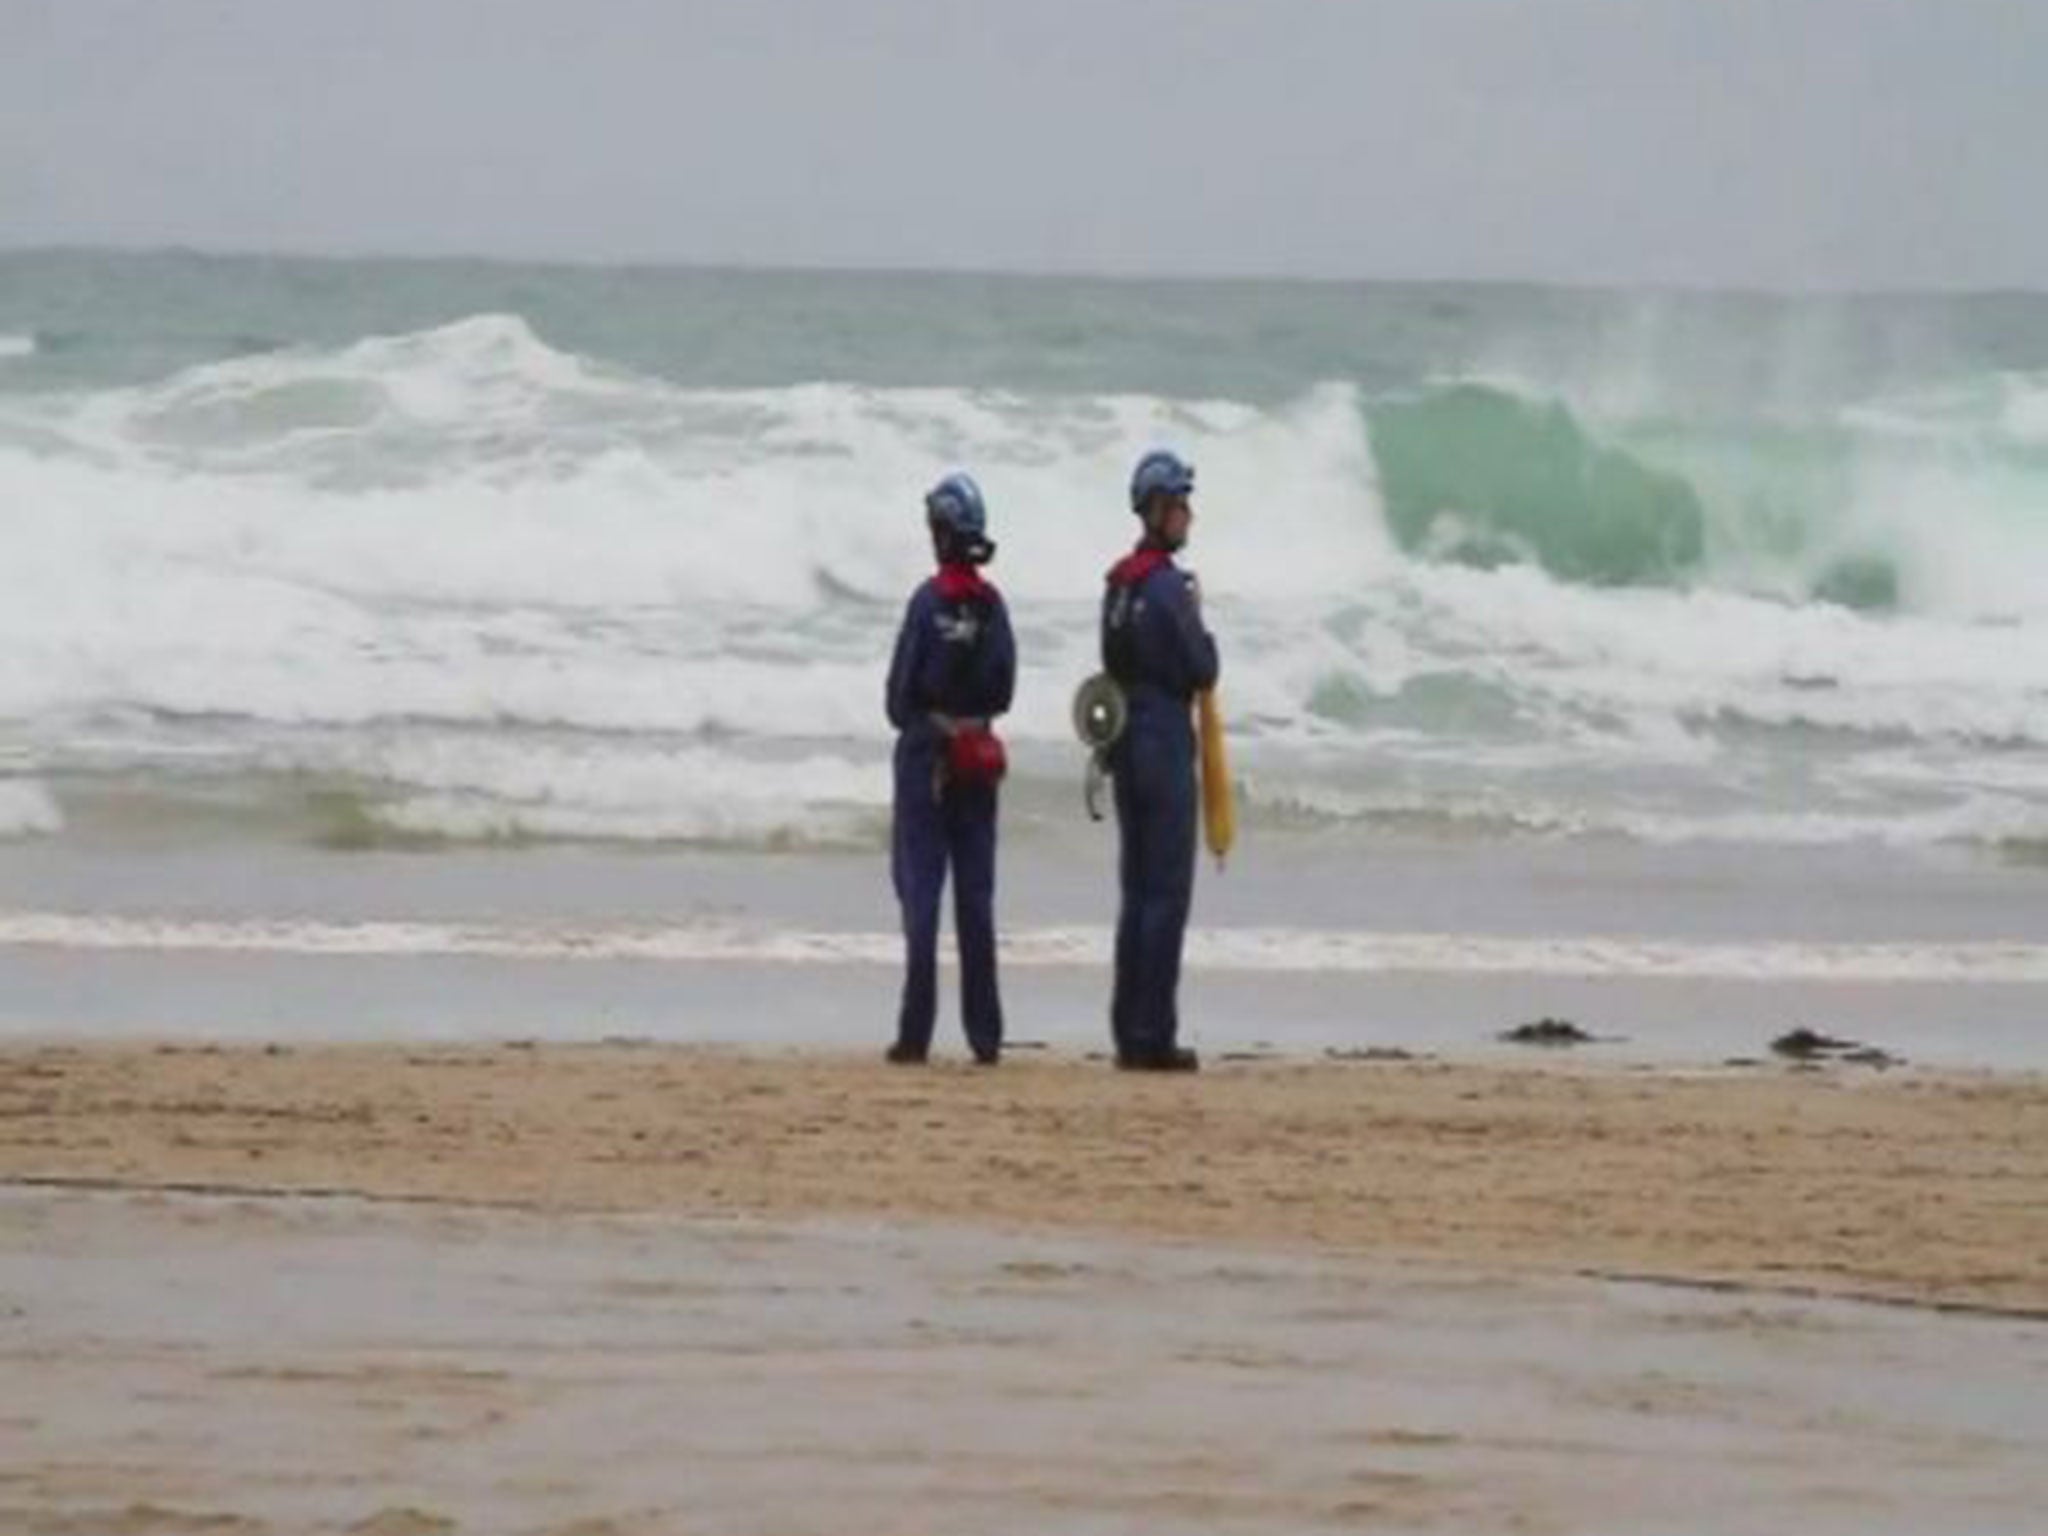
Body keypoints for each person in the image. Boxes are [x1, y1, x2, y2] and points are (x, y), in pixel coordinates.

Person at [883, 471, 1016, 1065]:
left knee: (921, 895)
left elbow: (897, 697)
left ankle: (916, 1035)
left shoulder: (927, 601)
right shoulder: (992, 608)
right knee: (977, 898)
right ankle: (985, 1036)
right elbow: (1004, 688)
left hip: (925, 757)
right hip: (978, 757)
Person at [1101, 448, 1218, 1072]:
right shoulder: (1169, 588)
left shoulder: (1118, 584)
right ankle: (1154, 1035)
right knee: (1166, 893)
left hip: (1124, 739)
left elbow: (1112, 662)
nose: (1188, 515)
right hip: (1165, 736)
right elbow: (1203, 668)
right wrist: (1202, 624)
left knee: (1135, 890)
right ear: (1157, 510)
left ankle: (1127, 1030)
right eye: (1180, 505)